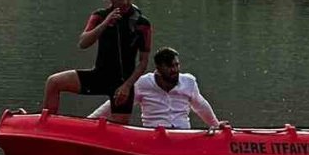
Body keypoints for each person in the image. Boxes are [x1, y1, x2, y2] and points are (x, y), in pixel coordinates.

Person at [42, 0, 152, 123]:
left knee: (119, 129)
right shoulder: (99, 16)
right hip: (99, 75)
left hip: (123, 83)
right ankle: (46, 125)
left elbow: (143, 63)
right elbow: (83, 43)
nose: (125, 2)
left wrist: (127, 86)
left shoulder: (142, 24)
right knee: (54, 82)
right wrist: (106, 23)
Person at [90, 47, 224, 129]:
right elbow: (115, 104)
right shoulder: (142, 84)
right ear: (159, 68)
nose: (175, 70)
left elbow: (201, 106)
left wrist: (216, 125)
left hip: (182, 134)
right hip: (153, 135)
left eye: (177, 65)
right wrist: (89, 122)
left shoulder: (188, 82)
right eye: (170, 66)